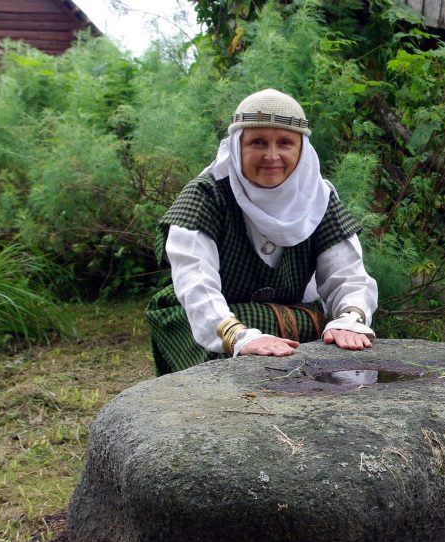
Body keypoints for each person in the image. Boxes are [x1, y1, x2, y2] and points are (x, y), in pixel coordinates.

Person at [145, 89, 377, 376]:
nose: (272, 156)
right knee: (229, 365)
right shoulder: (206, 195)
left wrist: (348, 318)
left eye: (285, 143)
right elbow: (195, 280)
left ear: (301, 149)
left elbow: (349, 275)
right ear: (237, 146)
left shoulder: (317, 197)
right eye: (258, 142)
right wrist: (240, 337)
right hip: (206, 313)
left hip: (289, 313)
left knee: (325, 342)